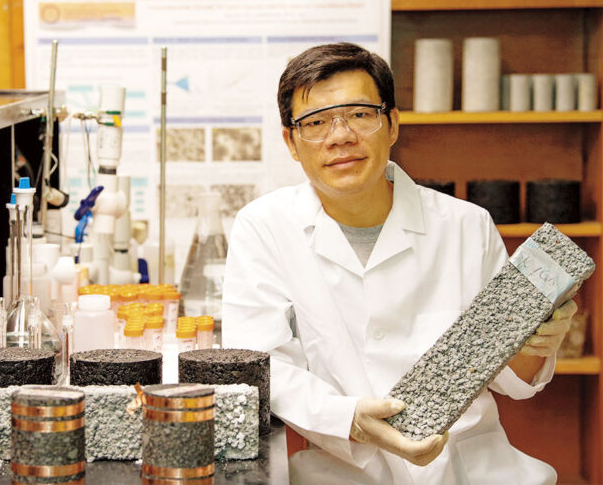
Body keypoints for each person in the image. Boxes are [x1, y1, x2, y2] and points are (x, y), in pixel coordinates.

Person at [222, 43, 577, 484]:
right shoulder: (265, 227)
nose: (340, 136)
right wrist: (349, 418)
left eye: (359, 114)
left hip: (474, 468)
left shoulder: (466, 225)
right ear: (291, 142)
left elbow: (511, 379)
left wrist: (538, 341)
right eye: (315, 123)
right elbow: (260, 363)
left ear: (391, 124)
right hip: (343, 469)